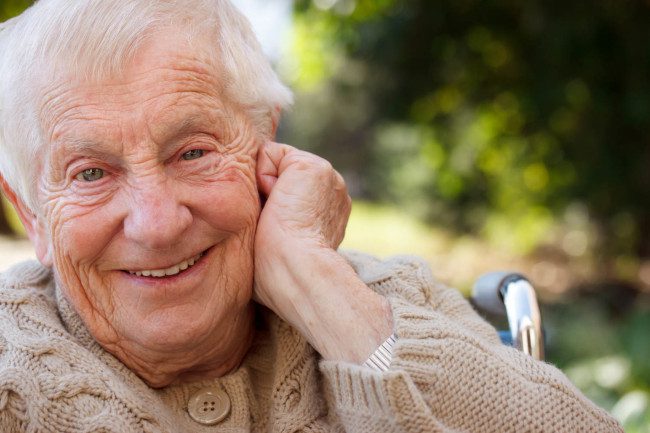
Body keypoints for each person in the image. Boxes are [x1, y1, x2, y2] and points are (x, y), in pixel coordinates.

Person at [0, 0, 623, 432]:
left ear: (263, 144)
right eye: (90, 173)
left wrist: (314, 284)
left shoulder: (384, 302)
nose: (157, 223)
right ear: (31, 213)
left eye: (192, 152)